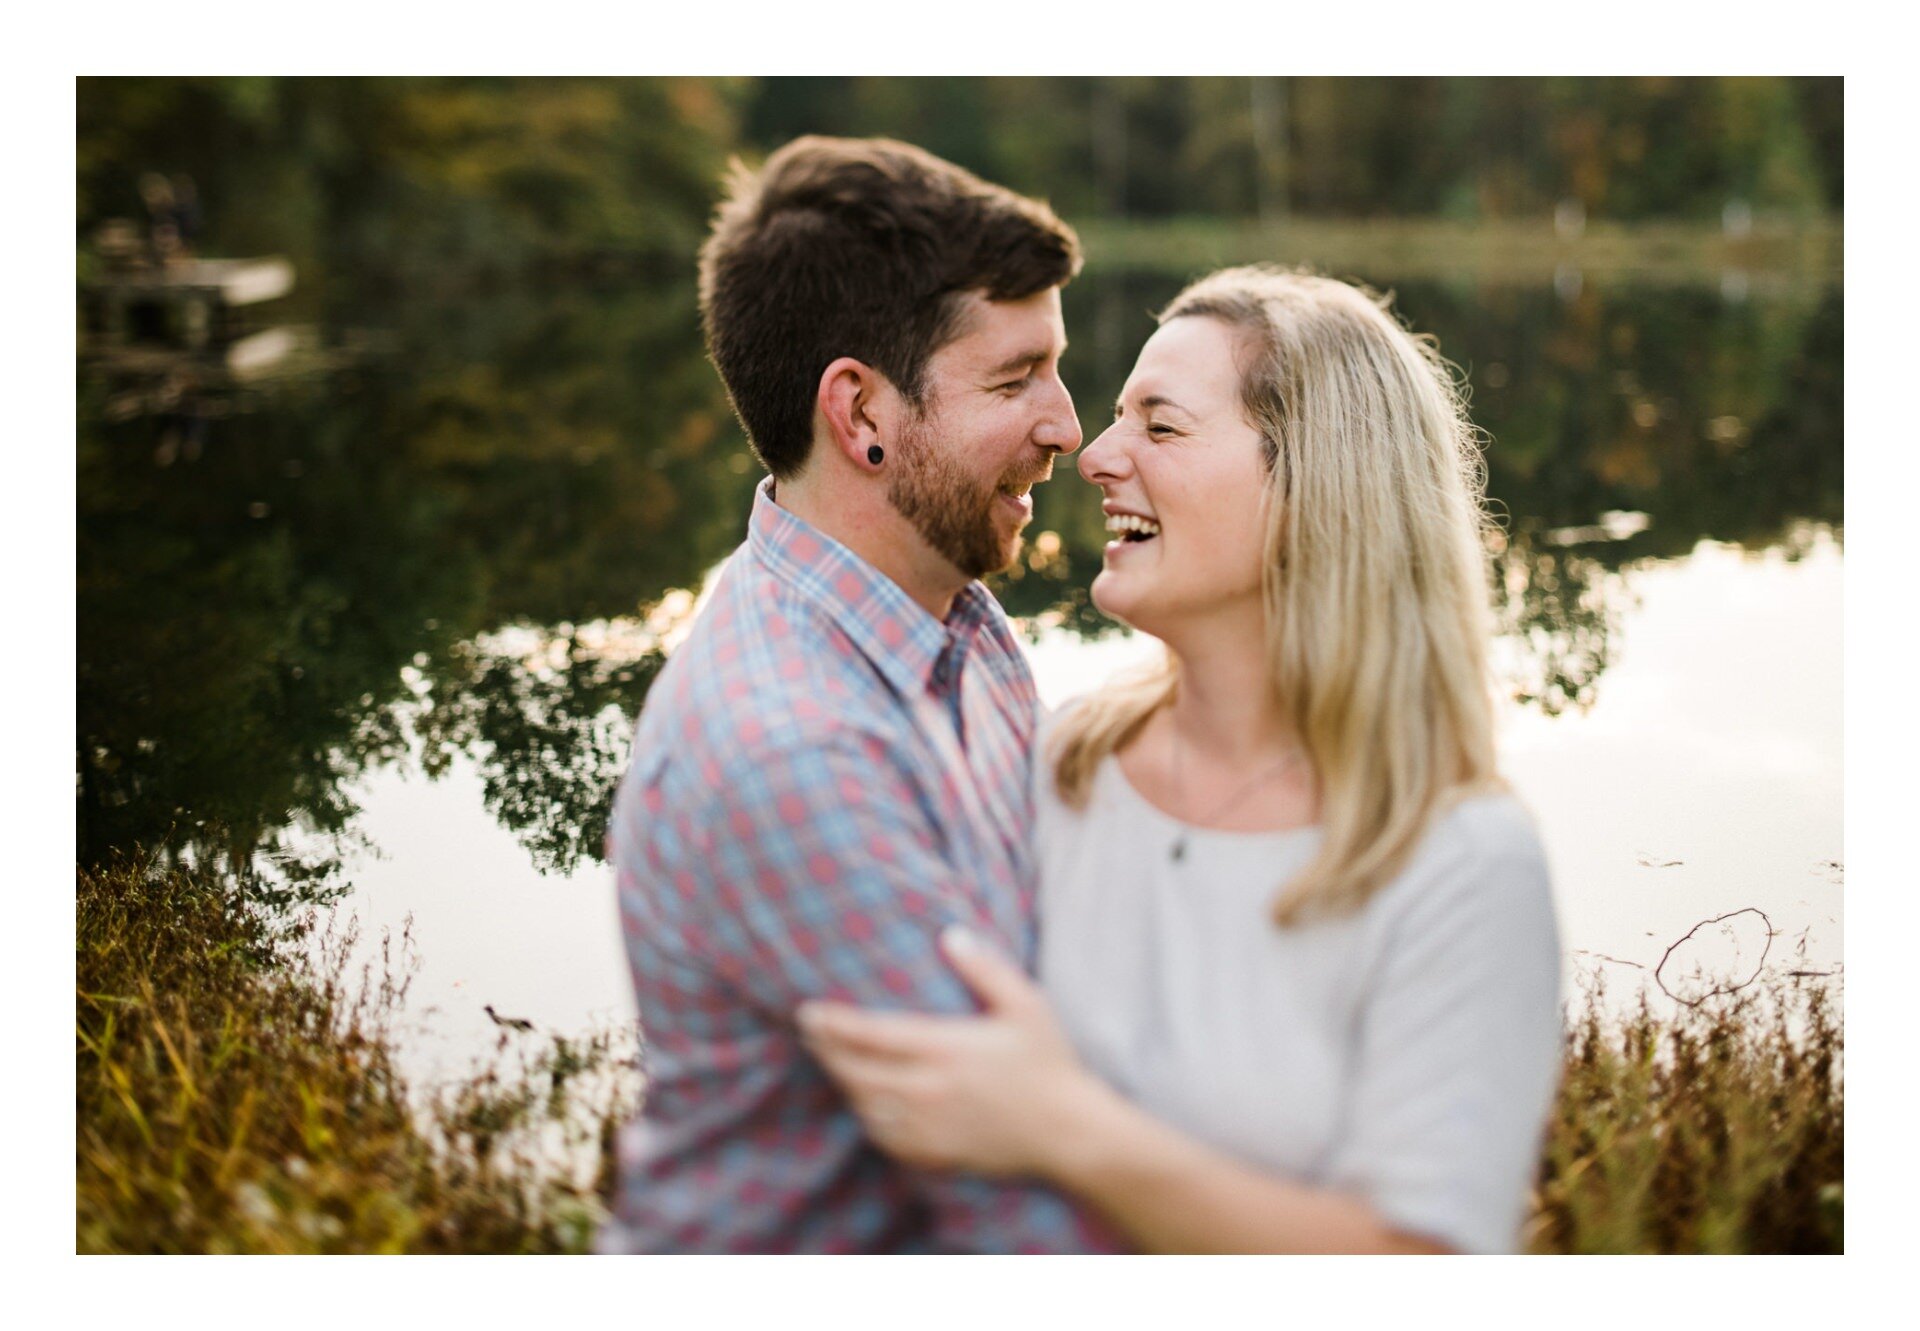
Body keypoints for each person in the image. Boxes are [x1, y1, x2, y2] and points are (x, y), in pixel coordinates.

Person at [799, 267, 1565, 1254]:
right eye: (1118, 419)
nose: (1098, 454)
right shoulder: (1061, 763)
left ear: (1314, 478)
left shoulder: (1461, 863)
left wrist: (1066, 1126)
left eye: (1159, 426)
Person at [598, 137, 1116, 1253]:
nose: (1069, 425)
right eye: (1016, 376)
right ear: (862, 414)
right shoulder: (796, 753)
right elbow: (1026, 1212)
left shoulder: (953, 622)